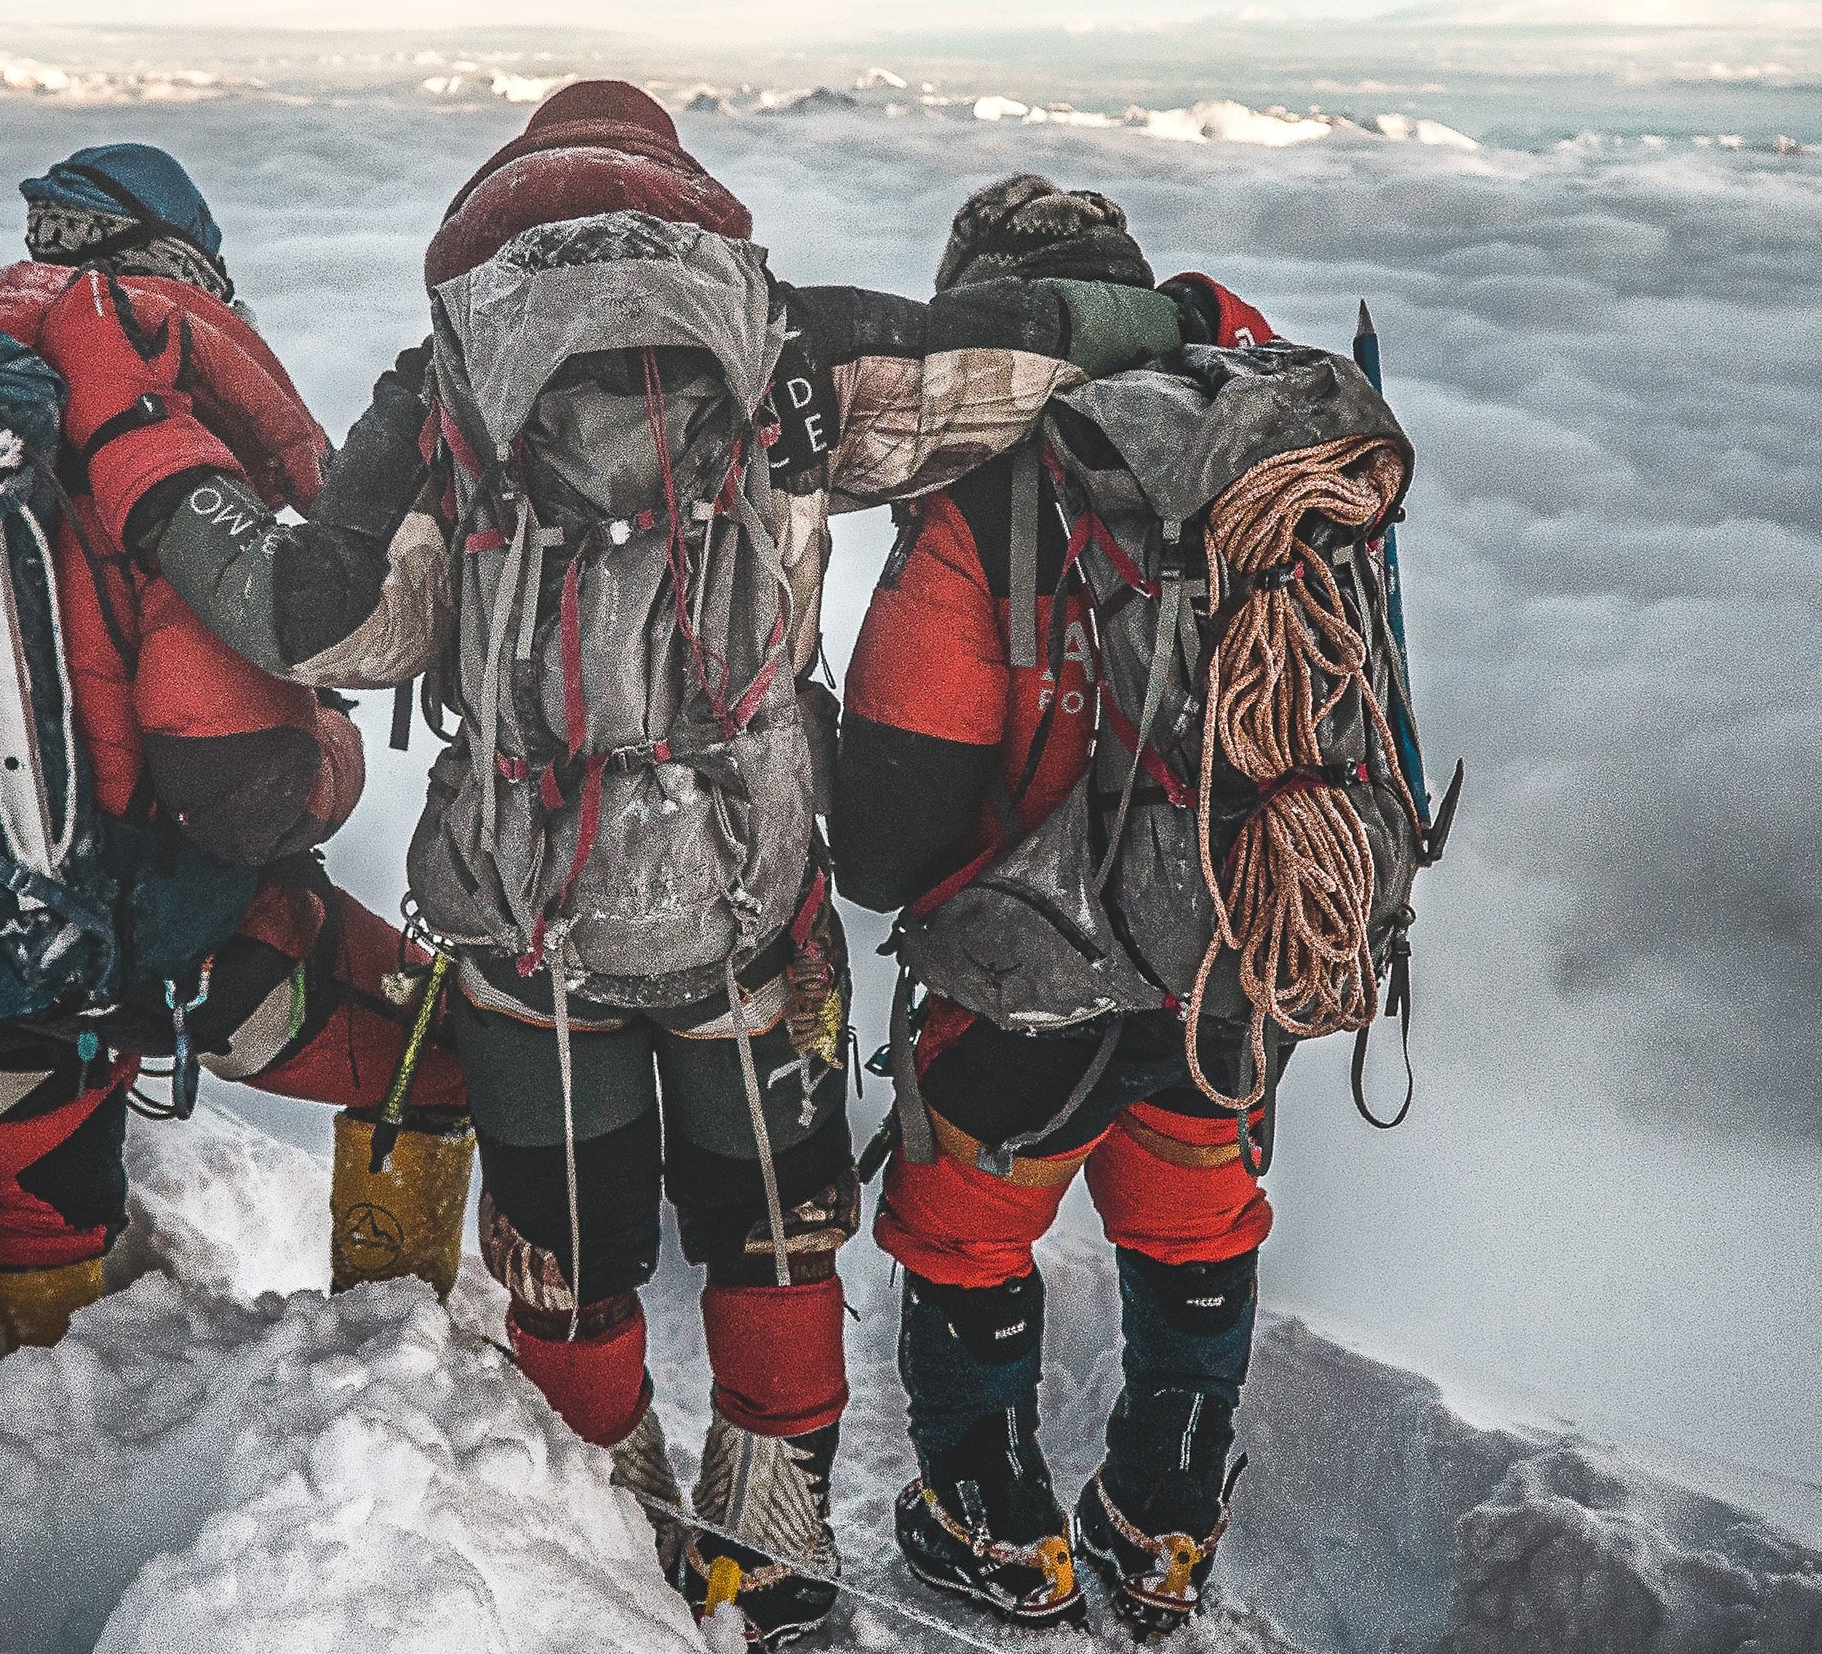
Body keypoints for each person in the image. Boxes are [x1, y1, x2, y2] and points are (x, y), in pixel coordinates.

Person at [60, 86, 1176, 1647]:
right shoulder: (791, 341)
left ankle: (606, 1518)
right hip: (755, 908)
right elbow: (1024, 358)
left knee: (565, 1259)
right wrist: (1165, 317)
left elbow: (323, 624)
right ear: (681, 192)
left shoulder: (444, 385)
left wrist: (146, 470)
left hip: (534, 933)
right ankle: (775, 1546)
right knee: (774, 1236)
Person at [831, 174, 1287, 1640]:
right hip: (1233, 961)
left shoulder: (988, 493)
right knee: (1196, 1225)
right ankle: (1164, 1522)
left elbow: (892, 833)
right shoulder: (1266, 460)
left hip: (1038, 984)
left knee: (965, 1233)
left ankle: (991, 1520)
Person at [0, 144, 476, 1353]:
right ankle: (401, 1366)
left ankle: (31, 1407)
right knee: (441, 1056)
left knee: (32, 1209)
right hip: (151, 935)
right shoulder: (145, 425)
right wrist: (331, 745)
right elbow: (238, 794)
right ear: (189, 270)